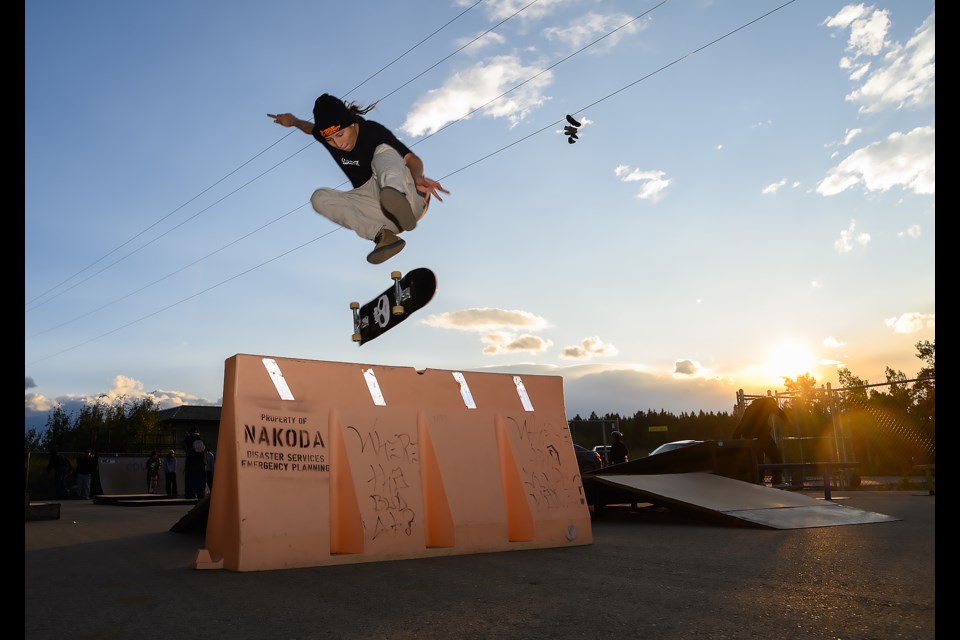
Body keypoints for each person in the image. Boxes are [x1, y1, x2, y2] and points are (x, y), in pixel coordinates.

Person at [268, 94, 449, 264]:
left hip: (409, 200)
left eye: (340, 135)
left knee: (383, 151)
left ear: (352, 124)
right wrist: (291, 121)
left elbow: (411, 159)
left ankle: (396, 195)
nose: (338, 144)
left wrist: (418, 176)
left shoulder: (372, 131)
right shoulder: (326, 135)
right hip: (377, 211)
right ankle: (383, 236)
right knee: (319, 197)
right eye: (330, 140)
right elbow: (308, 128)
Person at [732, 397, 787, 486]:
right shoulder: (769, 405)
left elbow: (742, 423)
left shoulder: (751, 407)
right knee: (775, 455)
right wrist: (789, 422)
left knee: (758, 458)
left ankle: (759, 480)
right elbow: (781, 413)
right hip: (761, 434)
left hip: (750, 436)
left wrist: (735, 438)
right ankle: (777, 480)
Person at [182, 428, 207, 500]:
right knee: (201, 483)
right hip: (201, 464)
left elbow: (184, 446)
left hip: (191, 464)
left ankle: (190, 495)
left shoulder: (188, 439)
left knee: (190, 483)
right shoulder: (202, 439)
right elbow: (206, 451)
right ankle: (201, 495)